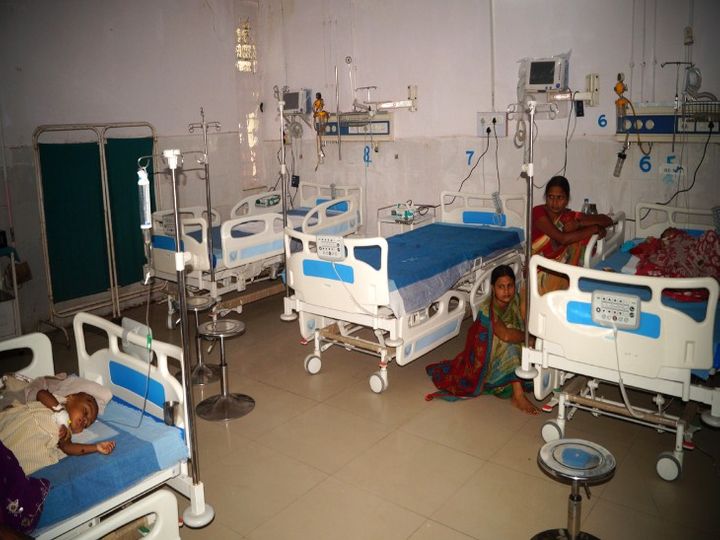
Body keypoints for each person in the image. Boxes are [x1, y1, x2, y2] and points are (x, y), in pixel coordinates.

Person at [425, 265, 538, 414]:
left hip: (505, 350)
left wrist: (524, 295)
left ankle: (519, 379)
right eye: (501, 287)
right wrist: (528, 339)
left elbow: (525, 320)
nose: (506, 291)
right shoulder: (488, 310)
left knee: (526, 335)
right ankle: (518, 396)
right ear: (493, 288)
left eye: (510, 286)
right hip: (485, 362)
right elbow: (505, 335)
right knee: (510, 344)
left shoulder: (515, 299)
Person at [0, 390, 115, 475]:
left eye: (86, 424)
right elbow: (41, 393)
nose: (84, 420)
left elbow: (68, 448)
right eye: (85, 412)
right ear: (71, 398)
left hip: (26, 447)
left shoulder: (66, 432)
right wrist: (59, 411)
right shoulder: (56, 401)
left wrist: (96, 447)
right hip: (18, 425)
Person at [531, 175, 613, 292]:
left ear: (567, 199)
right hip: (538, 272)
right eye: (550, 197)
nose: (554, 202)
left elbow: (607, 220)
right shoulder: (538, 212)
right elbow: (562, 239)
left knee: (576, 237)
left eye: (560, 198)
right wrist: (594, 228)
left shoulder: (568, 216)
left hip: (562, 272)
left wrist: (579, 224)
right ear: (546, 197)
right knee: (573, 238)